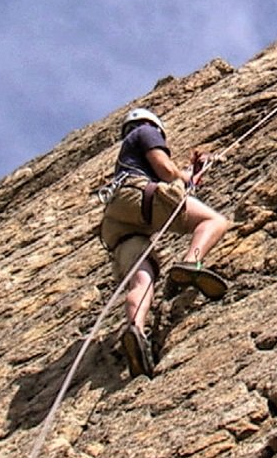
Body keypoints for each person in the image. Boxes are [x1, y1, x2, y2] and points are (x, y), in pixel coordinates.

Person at [98, 107, 230, 378]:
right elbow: (165, 169)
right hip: (138, 198)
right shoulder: (145, 132)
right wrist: (183, 176)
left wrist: (192, 173)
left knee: (142, 279)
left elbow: (171, 174)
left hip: (116, 223)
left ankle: (135, 328)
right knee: (214, 222)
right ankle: (192, 262)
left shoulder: (127, 154)